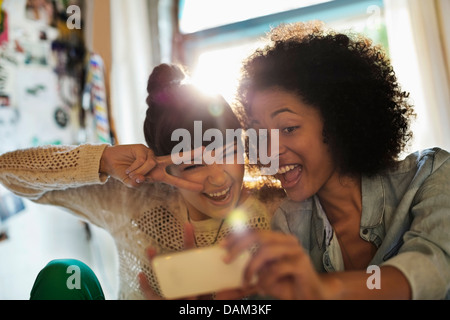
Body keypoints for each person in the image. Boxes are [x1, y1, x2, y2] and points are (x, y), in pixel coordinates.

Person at [0, 63, 285, 300]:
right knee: (62, 276)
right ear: (167, 168)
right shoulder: (133, 199)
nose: (218, 176)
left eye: (228, 153)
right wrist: (102, 159)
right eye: (194, 164)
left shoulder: (277, 209)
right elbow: (8, 171)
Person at [220, 21, 450, 300]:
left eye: (288, 128)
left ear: (340, 122)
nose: (269, 151)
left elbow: (434, 266)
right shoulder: (290, 224)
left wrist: (326, 288)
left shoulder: (431, 175)